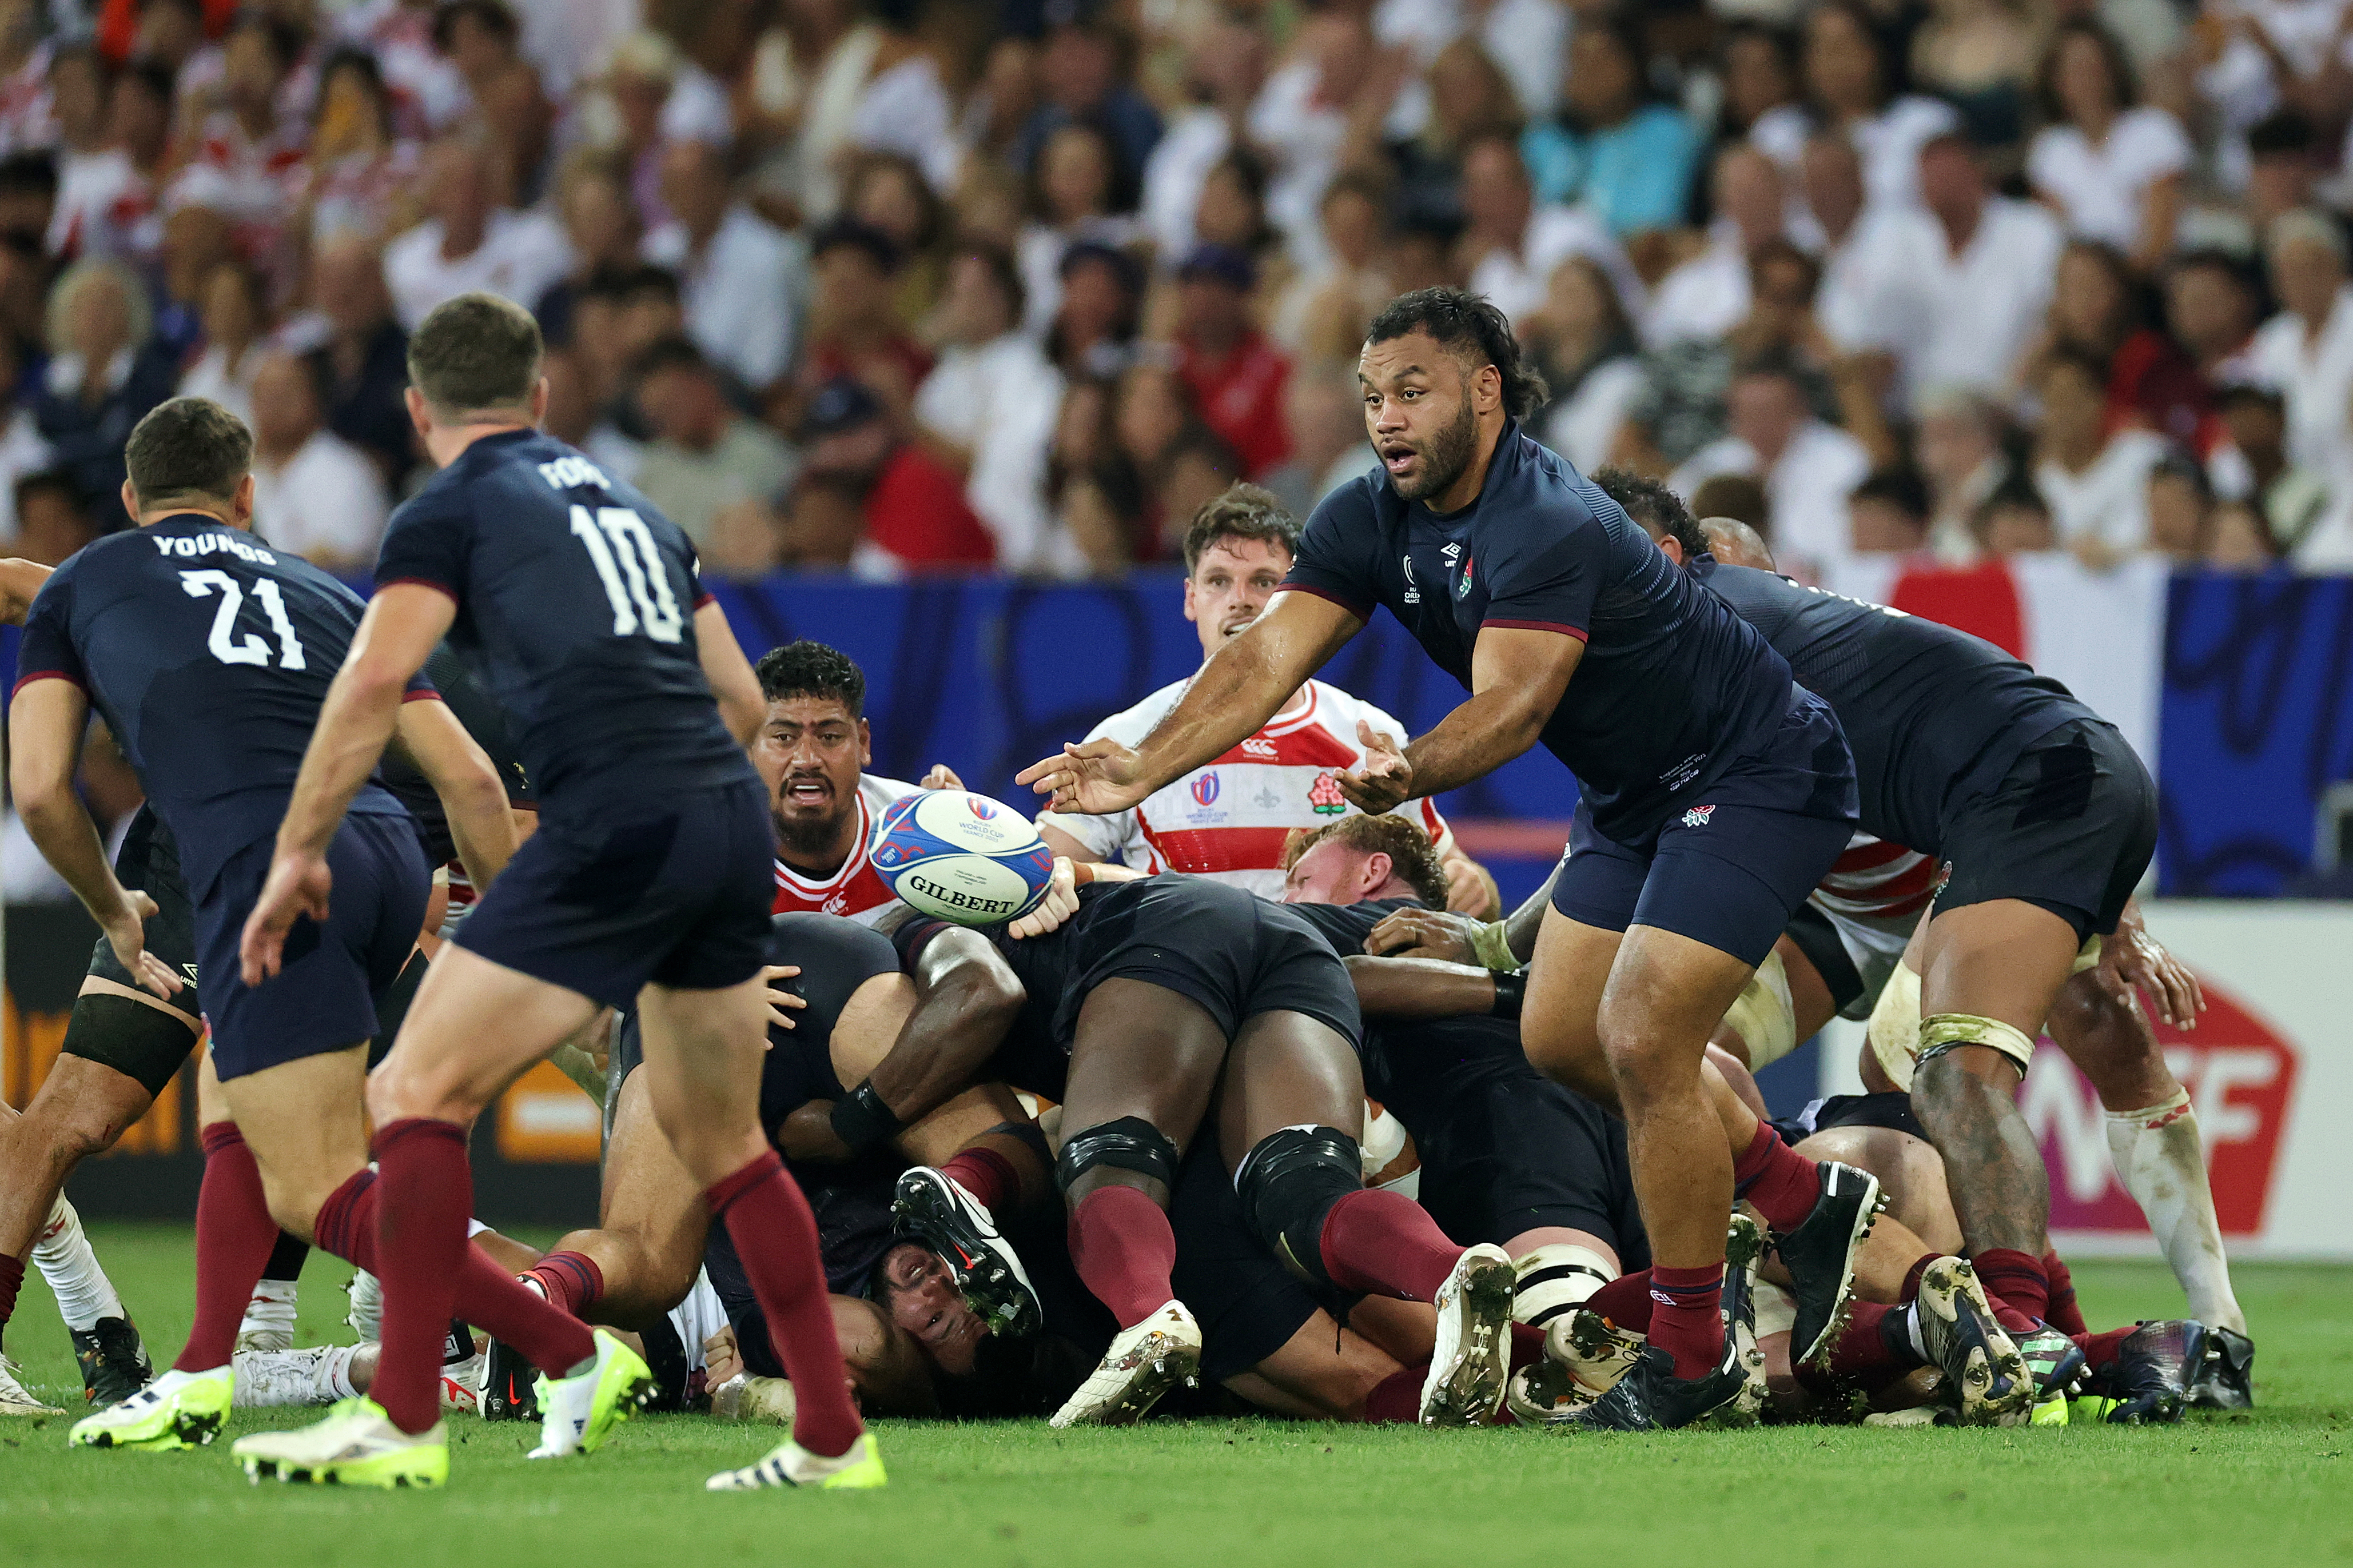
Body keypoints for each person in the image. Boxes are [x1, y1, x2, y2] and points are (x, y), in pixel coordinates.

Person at [1018, 288, 1876, 1431]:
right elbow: (1263, 659)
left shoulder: (1545, 516)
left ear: (1483, 390)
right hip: (1632, 797)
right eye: (1370, 396)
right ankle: (1799, 1205)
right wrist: (1136, 767)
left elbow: (1513, 706)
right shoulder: (1365, 515)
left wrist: (1408, 771)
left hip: (1755, 768)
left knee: (1637, 1034)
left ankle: (1690, 1355)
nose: (1384, 418)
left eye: (1411, 391)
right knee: (1561, 1038)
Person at [229, 293, 878, 1493]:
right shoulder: (636, 512)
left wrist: (297, 852)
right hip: (715, 823)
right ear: (539, 399)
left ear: (420, 410)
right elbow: (738, 700)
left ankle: (406, 1419)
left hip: (612, 822)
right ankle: (832, 1441)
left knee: (412, 1091)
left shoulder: (449, 511)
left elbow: (374, 681)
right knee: (723, 1136)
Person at [1596, 478, 2245, 1404]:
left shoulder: (1812, 650)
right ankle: (1729, 1274)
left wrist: (2110, 911)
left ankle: (2165, 1322)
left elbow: (2010, 740)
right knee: (1677, 1054)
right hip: (1829, 905)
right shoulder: (1691, 699)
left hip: (1942, 882)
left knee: (1998, 1047)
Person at [9, 397, 516, 1466]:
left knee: (289, 1151)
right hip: (296, 871)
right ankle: (230, 1358)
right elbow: (477, 792)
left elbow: (39, 606)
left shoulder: (133, 571)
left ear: (134, 501)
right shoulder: (335, 601)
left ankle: (511, 1331)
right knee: (148, 1125)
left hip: (261, 869)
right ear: (248, 498)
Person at [1037, 483, 1495, 915]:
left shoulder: (1367, 737)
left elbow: (1463, 882)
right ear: (1190, 598)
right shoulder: (1130, 738)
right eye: (1218, 581)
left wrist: (1468, 884)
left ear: (1298, 597)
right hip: (1183, 981)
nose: (1240, 600)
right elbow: (1040, 874)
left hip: (1328, 987)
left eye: (1263, 582)